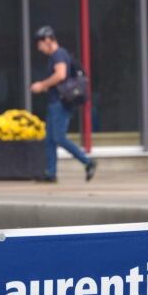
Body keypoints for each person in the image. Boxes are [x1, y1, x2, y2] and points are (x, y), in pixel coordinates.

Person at [30, 25, 97, 183]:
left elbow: (61, 75)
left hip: (60, 103)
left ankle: (87, 162)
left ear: (48, 40)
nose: (39, 49)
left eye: (40, 45)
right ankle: (50, 173)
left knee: (59, 138)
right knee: (50, 140)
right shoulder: (59, 55)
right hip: (56, 101)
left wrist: (42, 85)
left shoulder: (58, 55)